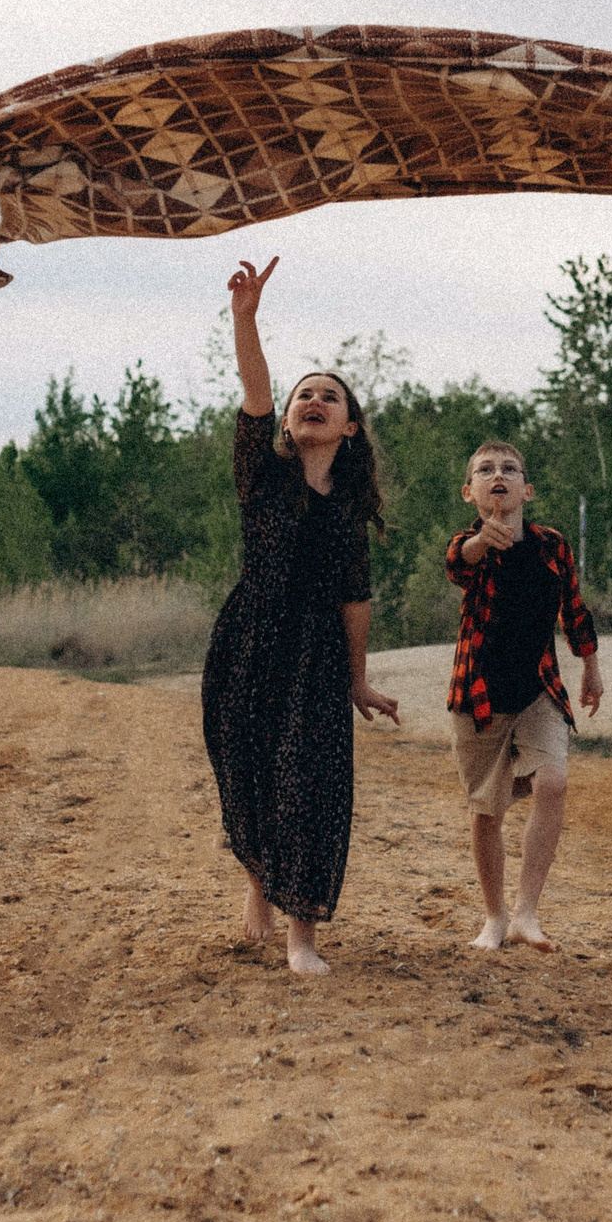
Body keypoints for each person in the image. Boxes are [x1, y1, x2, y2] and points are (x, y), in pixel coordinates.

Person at [202, 256, 401, 976]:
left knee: (311, 786)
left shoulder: (349, 512)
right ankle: (256, 880)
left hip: (316, 655)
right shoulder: (263, 476)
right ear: (288, 420)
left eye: (330, 395)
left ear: (350, 428)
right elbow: (254, 391)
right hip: (249, 641)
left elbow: (357, 601)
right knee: (250, 770)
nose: (313, 399)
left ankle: (302, 939)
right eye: (303, 394)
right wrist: (245, 319)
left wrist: (359, 683)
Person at [443, 441, 603, 952]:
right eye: (486, 470)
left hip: (539, 687)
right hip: (479, 695)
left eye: (510, 470)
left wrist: (591, 667)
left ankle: (527, 913)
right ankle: (494, 917)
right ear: (470, 492)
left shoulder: (552, 545)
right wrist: (480, 544)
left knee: (552, 783)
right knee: (486, 811)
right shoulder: (468, 546)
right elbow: (456, 565)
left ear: (526, 490)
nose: (499, 476)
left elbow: (574, 609)